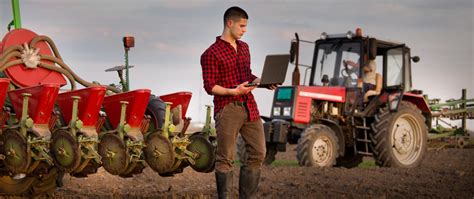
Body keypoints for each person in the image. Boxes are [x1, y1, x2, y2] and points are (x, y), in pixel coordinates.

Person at [200, 6, 276, 199]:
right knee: (225, 158)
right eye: (242, 26)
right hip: (228, 109)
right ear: (229, 23)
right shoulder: (211, 53)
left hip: (249, 106)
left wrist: (261, 82)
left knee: (258, 152)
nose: (245, 30)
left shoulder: (244, 48)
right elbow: (210, 86)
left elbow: (246, 75)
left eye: (246, 26)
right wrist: (232, 91)